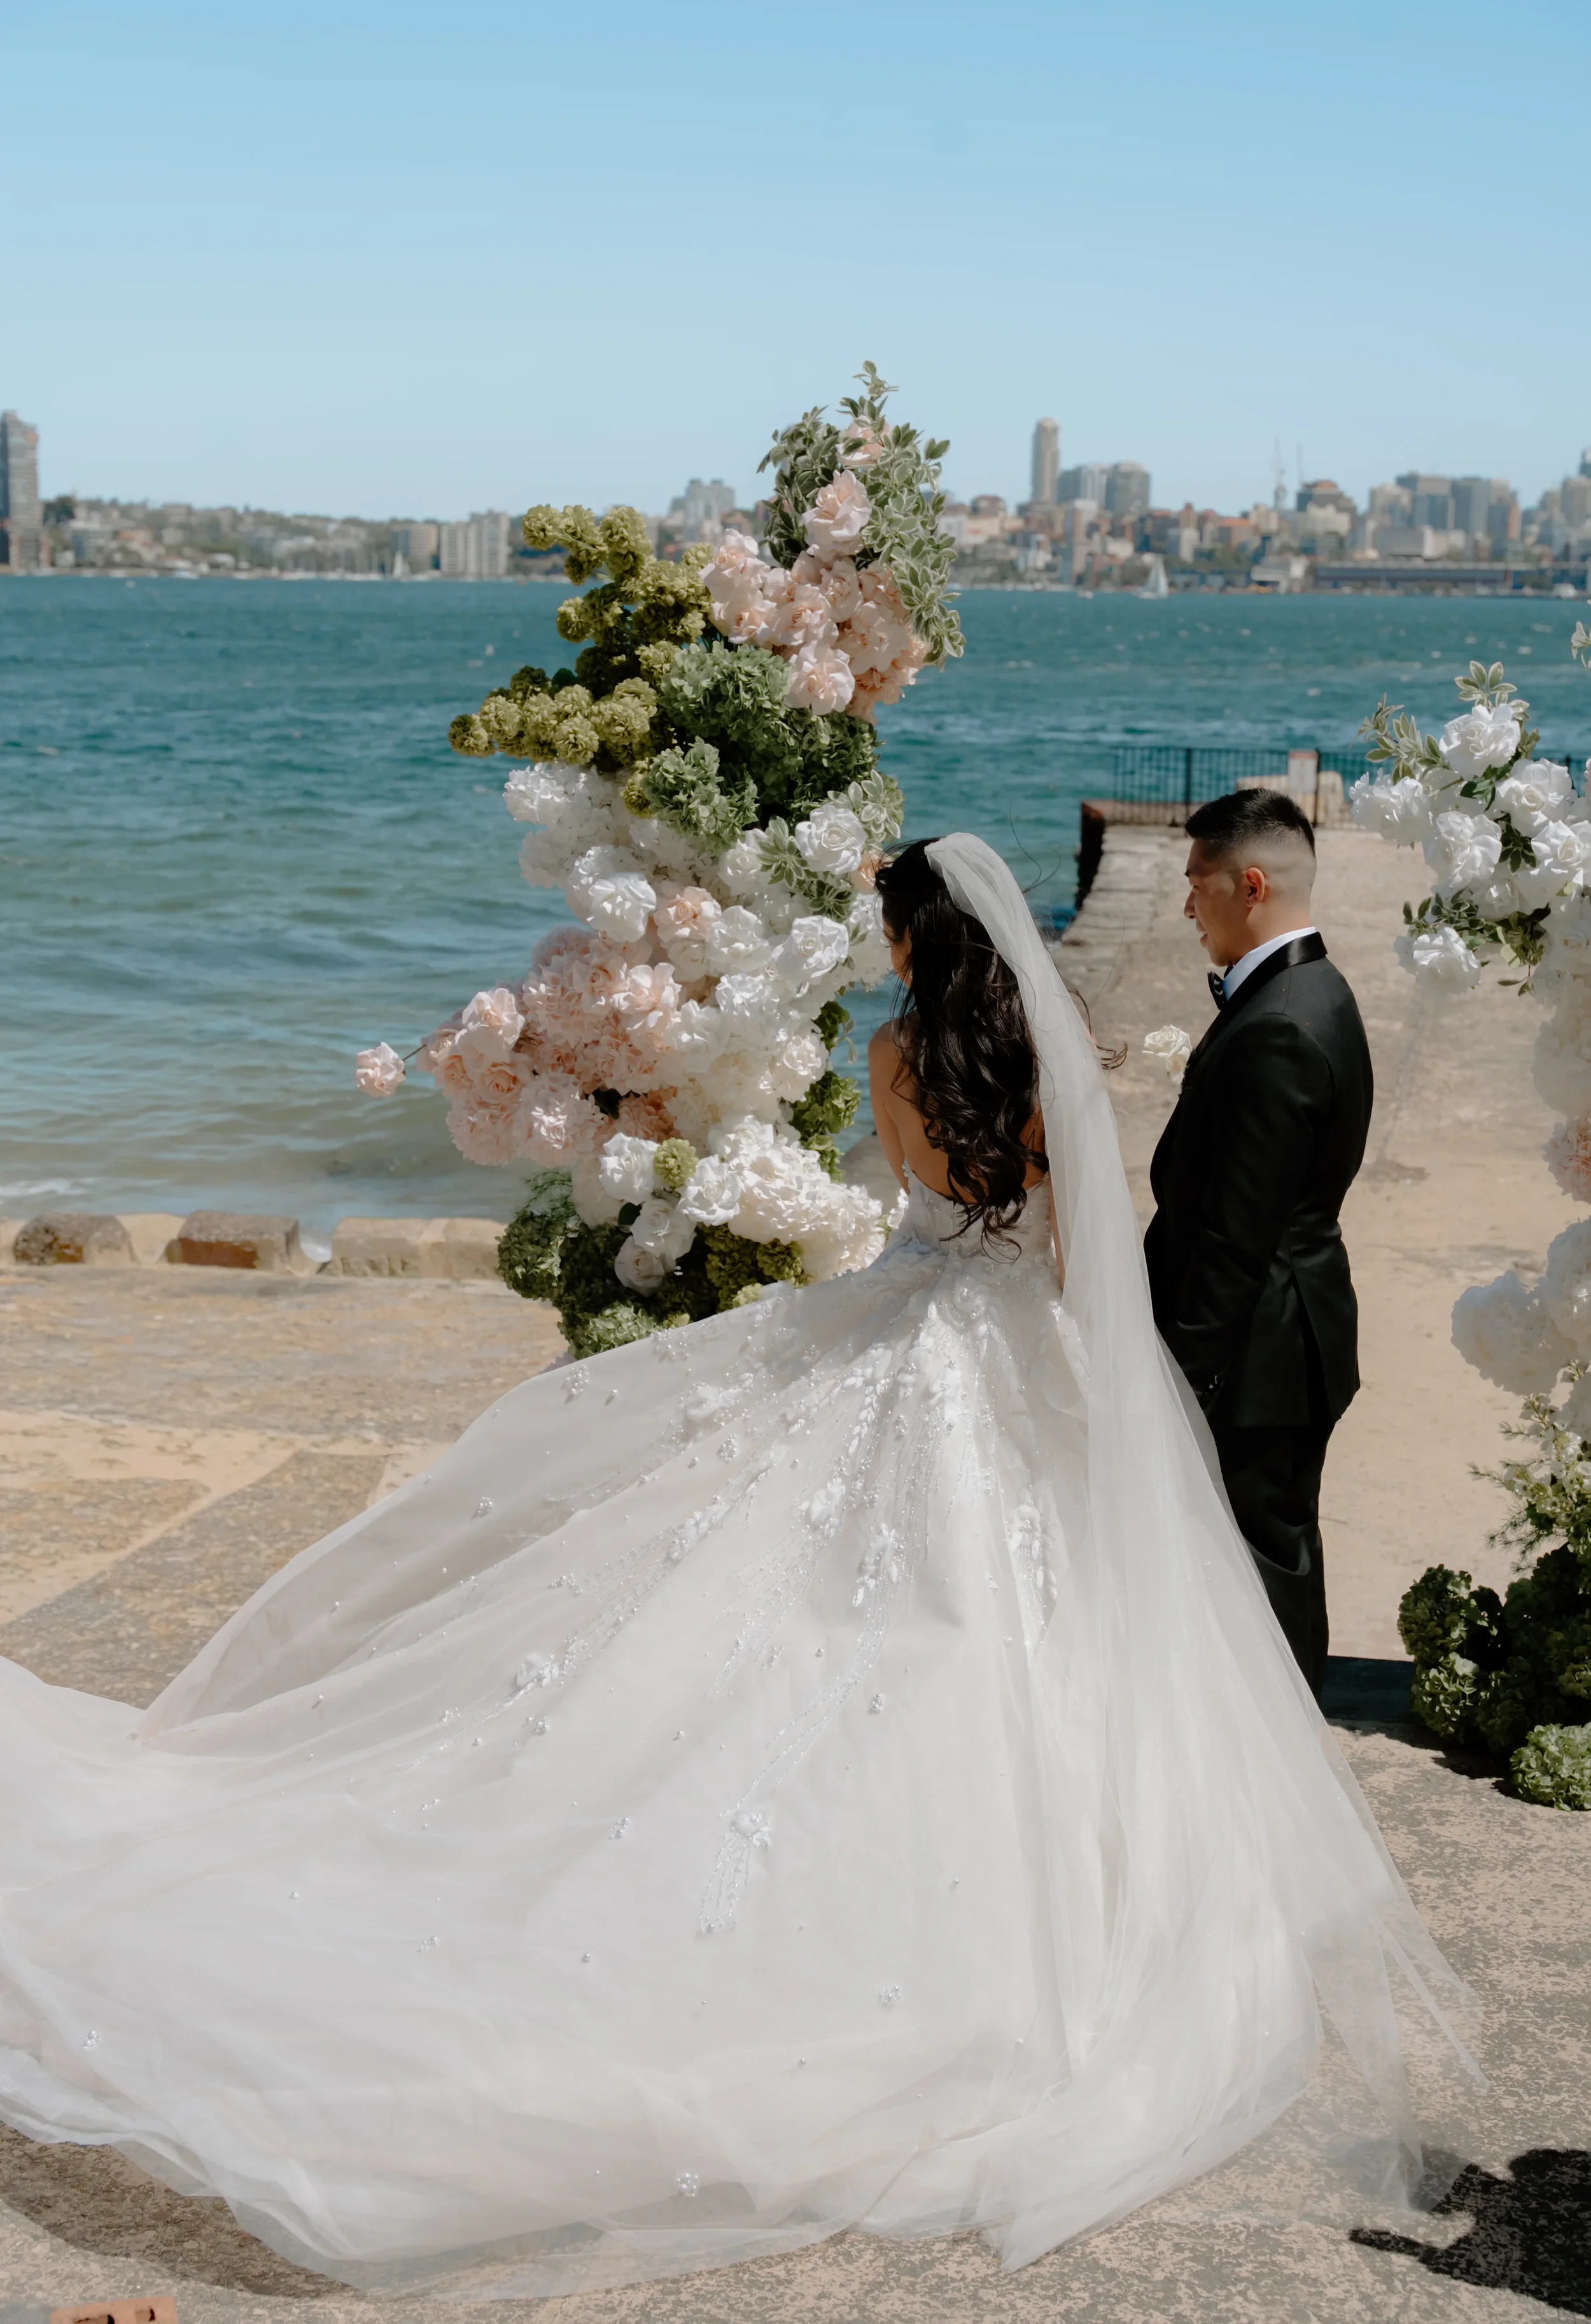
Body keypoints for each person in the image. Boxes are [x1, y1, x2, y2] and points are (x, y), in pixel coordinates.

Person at [0, 835, 1461, 2302]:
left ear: (912, 940)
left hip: (914, 1335)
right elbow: (1082, 1257)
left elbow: (915, 1210)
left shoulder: (902, 1060)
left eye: (890, 929)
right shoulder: (1050, 1057)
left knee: (805, 1593)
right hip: (1019, 1356)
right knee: (1013, 1619)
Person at [1144, 790, 1373, 1697]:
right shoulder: (1314, 991)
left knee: (1265, 1559)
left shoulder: (1279, 1025)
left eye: (1196, 884)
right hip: (1284, 1331)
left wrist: (1179, 1378)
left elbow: (1237, 1236)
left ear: (1250, 883)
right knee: (1269, 1546)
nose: (1185, 906)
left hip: (1258, 1352)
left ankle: (1288, 1771)